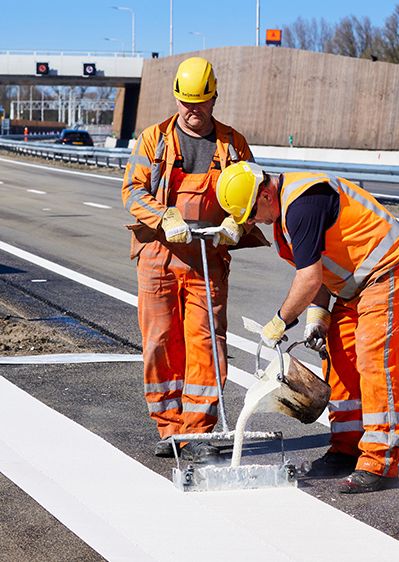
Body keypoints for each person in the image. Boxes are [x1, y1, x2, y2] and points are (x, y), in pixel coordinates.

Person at [215, 162, 399, 493]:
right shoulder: (284, 213)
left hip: (388, 270)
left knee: (373, 362)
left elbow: (308, 277)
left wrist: (280, 321)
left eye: (253, 213)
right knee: (338, 359)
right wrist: (318, 316)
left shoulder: (302, 205)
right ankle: (346, 449)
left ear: (265, 193)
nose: (254, 221)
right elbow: (320, 266)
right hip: (354, 285)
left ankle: (380, 461)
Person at [121, 57, 267, 463]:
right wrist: (164, 217)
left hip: (208, 257)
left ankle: (197, 434)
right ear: (176, 97)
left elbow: (256, 193)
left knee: (206, 346)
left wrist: (237, 226)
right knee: (160, 343)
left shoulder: (233, 145)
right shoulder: (155, 140)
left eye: (201, 103)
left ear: (214, 98)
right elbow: (132, 192)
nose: (193, 110)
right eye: (187, 102)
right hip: (158, 255)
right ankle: (169, 430)